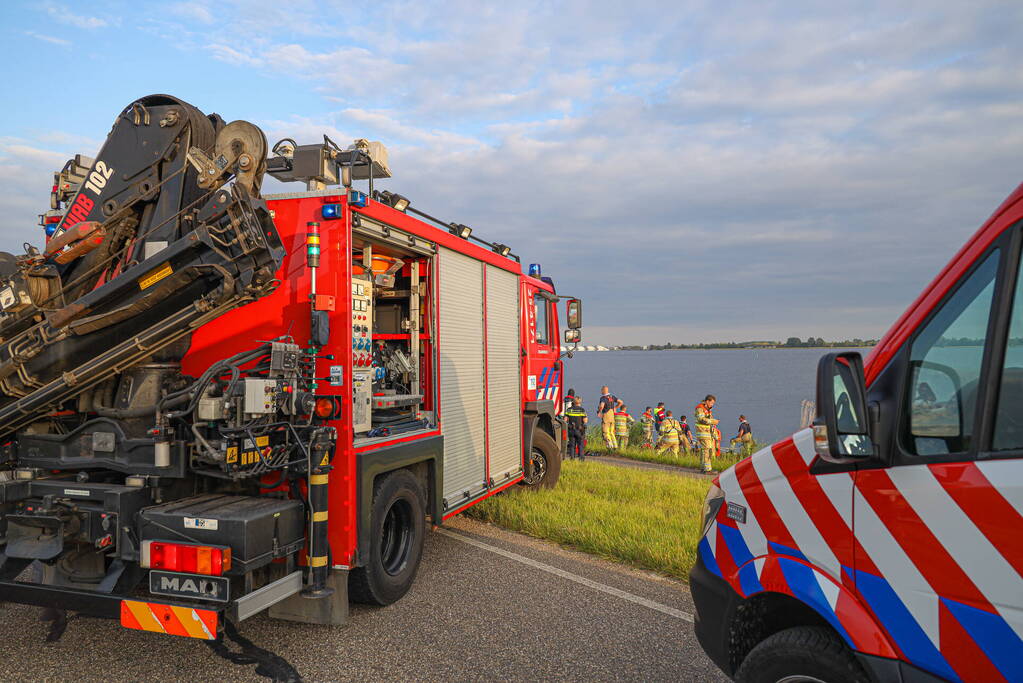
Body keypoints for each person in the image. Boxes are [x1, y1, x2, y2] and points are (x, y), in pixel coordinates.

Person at [694, 394, 719, 473]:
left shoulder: (707, 409)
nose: (712, 405)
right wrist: (713, 421)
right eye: (711, 403)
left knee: (704, 450)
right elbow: (701, 419)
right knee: (707, 449)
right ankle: (707, 469)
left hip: (707, 432)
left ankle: (703, 468)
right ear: (707, 401)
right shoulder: (700, 408)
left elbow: (709, 421)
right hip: (702, 432)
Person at [597, 385, 621, 450]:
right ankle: (615, 446)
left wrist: (599, 412)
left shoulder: (603, 398)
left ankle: (609, 446)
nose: (601, 391)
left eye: (601, 390)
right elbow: (621, 402)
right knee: (611, 432)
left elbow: (602, 406)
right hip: (612, 416)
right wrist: (615, 407)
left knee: (605, 431)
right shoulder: (612, 397)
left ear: (603, 390)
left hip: (606, 416)